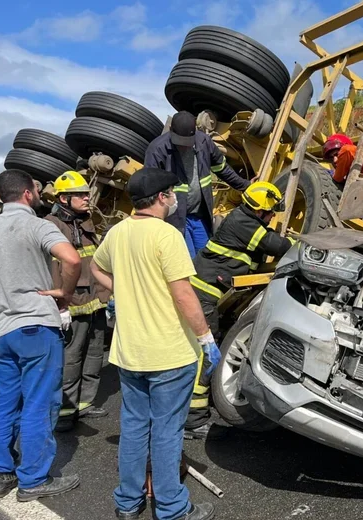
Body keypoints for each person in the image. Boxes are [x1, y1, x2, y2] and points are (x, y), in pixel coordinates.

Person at [90, 167, 218, 520]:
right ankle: (172, 508)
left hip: (130, 353)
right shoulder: (167, 235)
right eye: (173, 193)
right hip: (169, 353)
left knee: (133, 428)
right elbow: (183, 294)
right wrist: (205, 336)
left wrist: (122, 291)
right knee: (166, 432)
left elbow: (96, 270)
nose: (176, 199)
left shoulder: (117, 233)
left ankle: (128, 503)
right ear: (162, 198)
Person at [0, 169, 81, 501]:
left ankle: (0, 474)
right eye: (37, 190)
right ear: (27, 193)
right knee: (40, 402)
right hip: (36, 326)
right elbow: (70, 259)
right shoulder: (37, 225)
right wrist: (64, 294)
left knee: (3, 401)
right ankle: (34, 479)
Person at [187, 181, 293, 440]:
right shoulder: (244, 223)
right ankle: (192, 419)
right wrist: (297, 243)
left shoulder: (245, 220)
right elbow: (276, 245)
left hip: (207, 292)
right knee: (206, 354)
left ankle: (192, 410)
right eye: (270, 212)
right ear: (259, 210)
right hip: (204, 294)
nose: (272, 217)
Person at [45, 171, 112, 432]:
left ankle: (85, 403)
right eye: (81, 195)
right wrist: (60, 305)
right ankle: (64, 409)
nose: (87, 198)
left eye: (87, 193)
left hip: (94, 301)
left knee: (95, 353)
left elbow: (95, 261)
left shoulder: (85, 222)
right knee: (71, 358)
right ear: (63, 198)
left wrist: (106, 298)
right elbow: (53, 269)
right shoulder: (52, 225)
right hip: (72, 303)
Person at [145, 111, 252, 257]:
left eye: (187, 143)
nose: (184, 147)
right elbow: (149, 189)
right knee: (186, 261)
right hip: (175, 218)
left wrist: (245, 186)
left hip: (199, 215)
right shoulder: (157, 150)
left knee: (204, 258)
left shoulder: (204, 142)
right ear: (171, 131)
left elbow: (222, 169)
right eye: (180, 143)